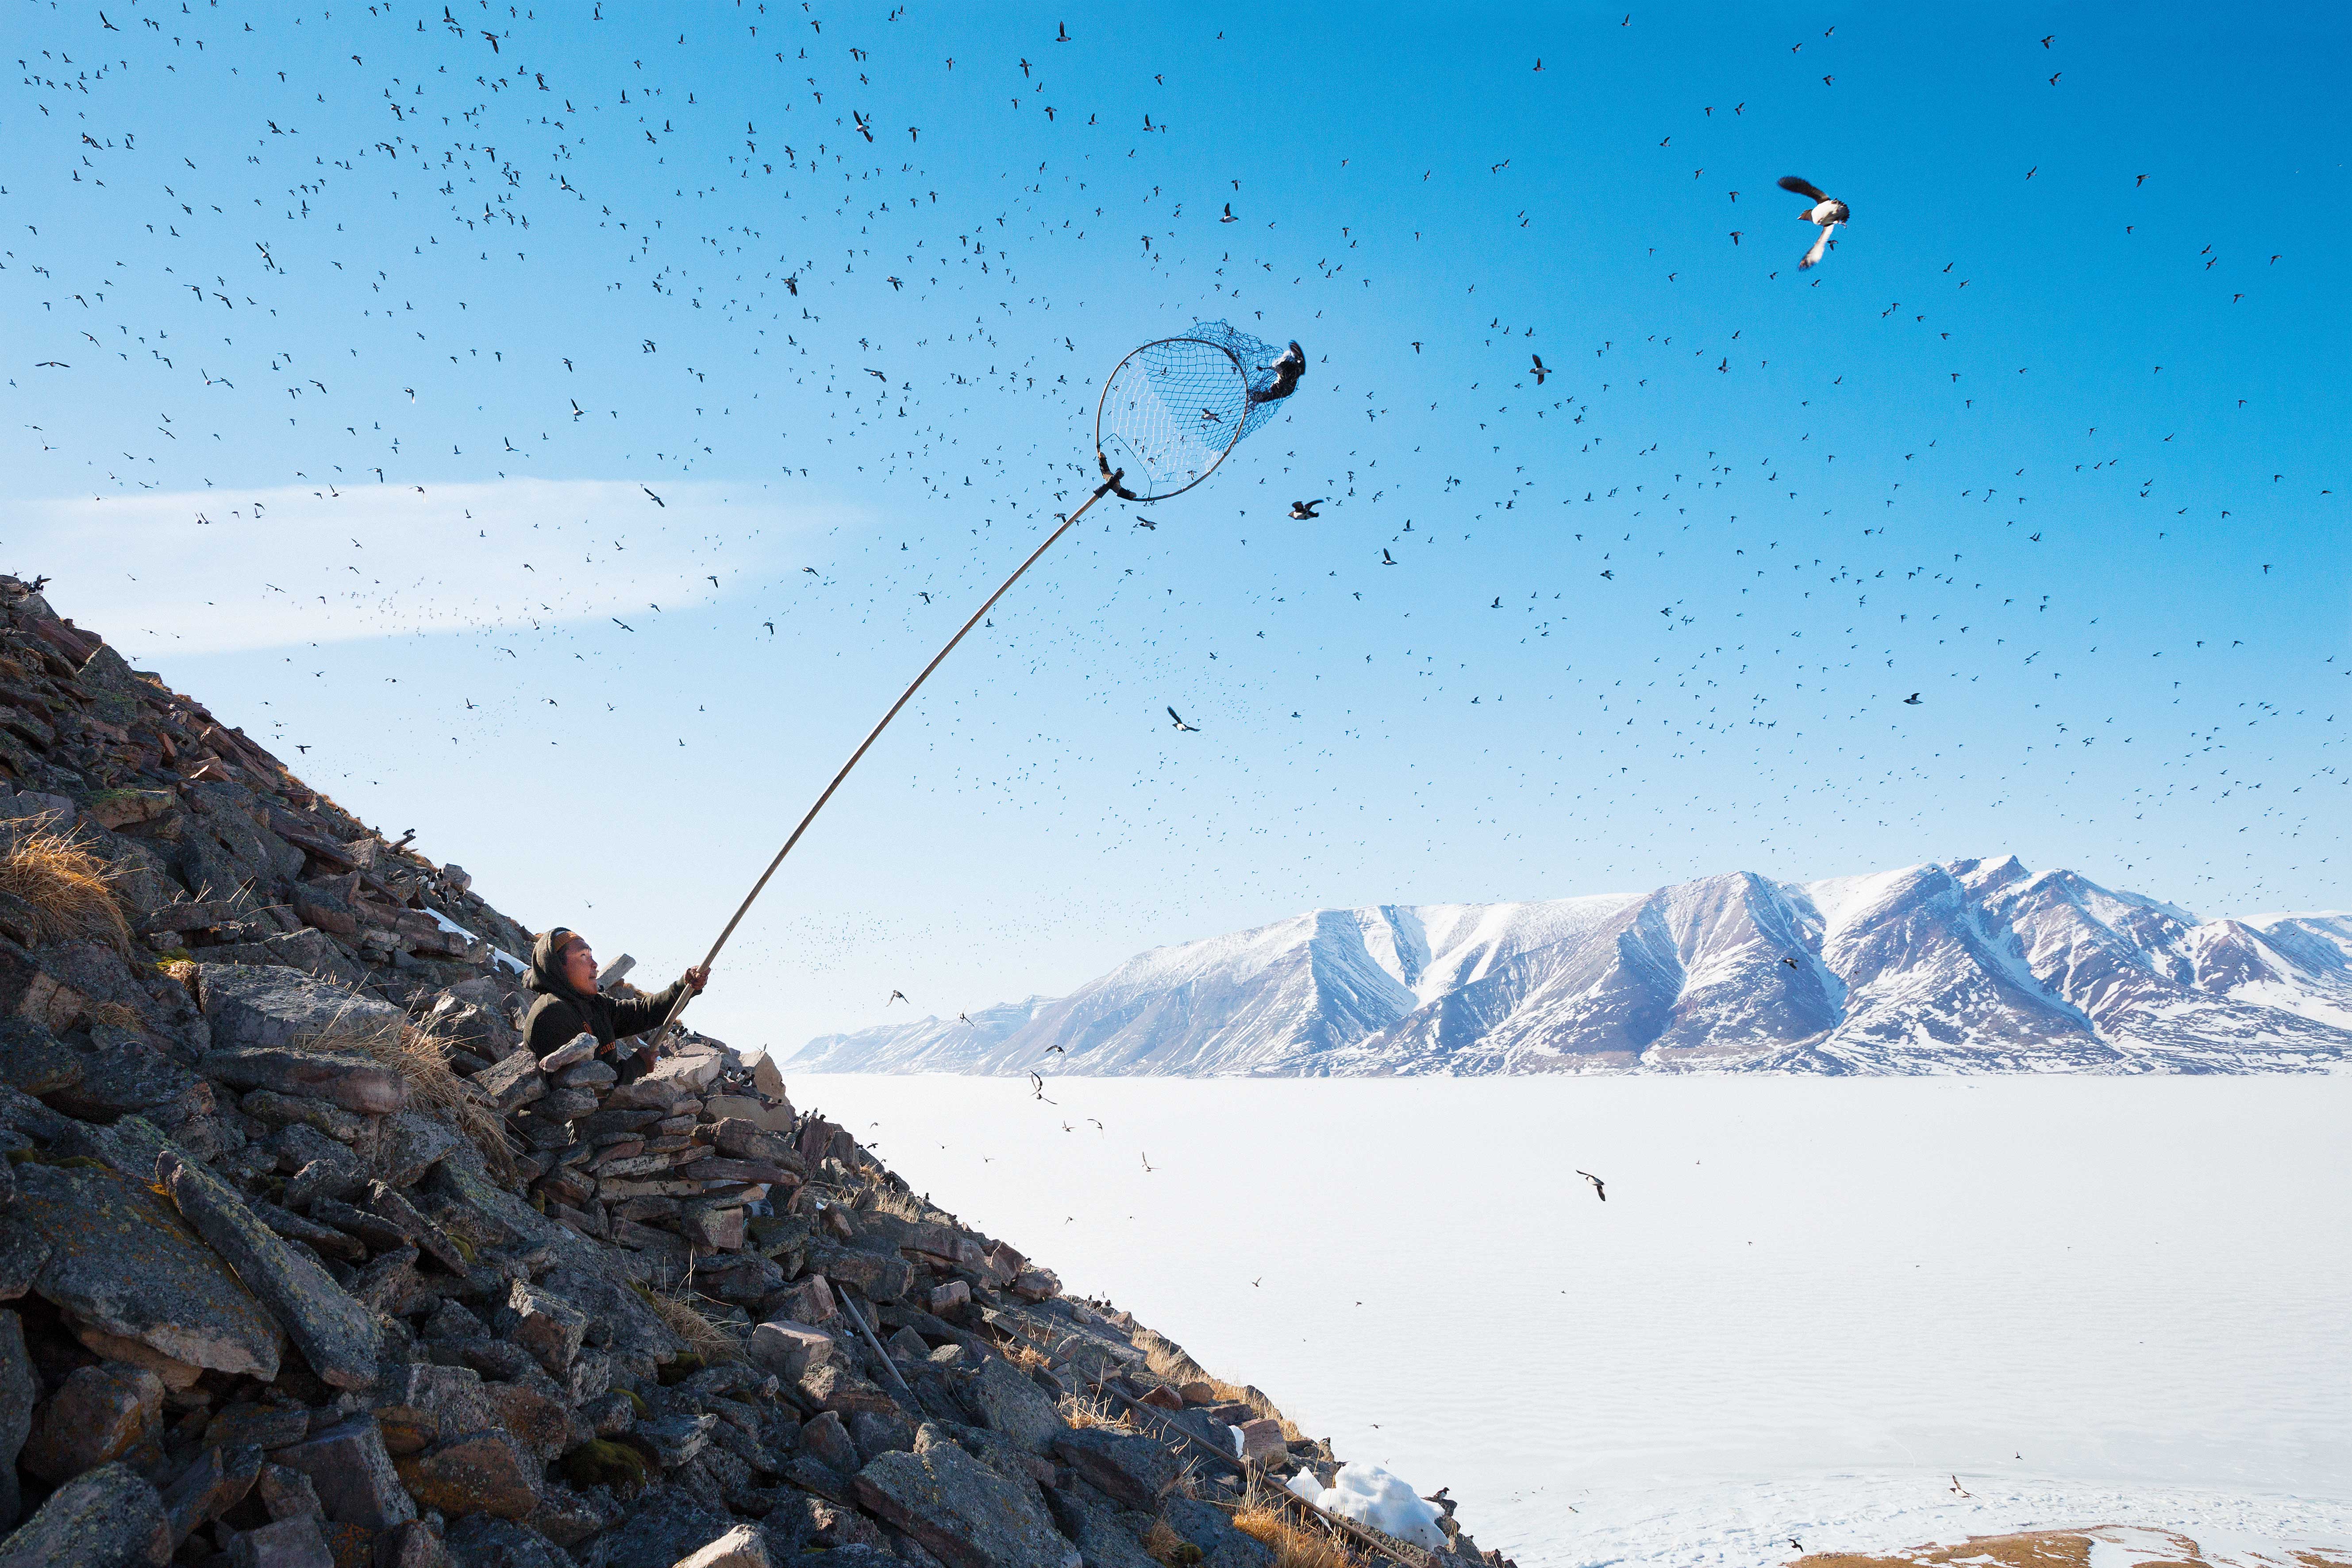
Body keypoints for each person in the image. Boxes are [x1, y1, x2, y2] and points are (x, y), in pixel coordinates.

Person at [521, 927, 708, 1084]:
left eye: (592, 955)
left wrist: (685, 987)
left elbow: (645, 1012)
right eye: (583, 956)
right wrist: (636, 1066)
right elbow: (584, 1087)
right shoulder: (552, 1014)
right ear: (558, 967)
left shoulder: (596, 1005)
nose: (595, 964)